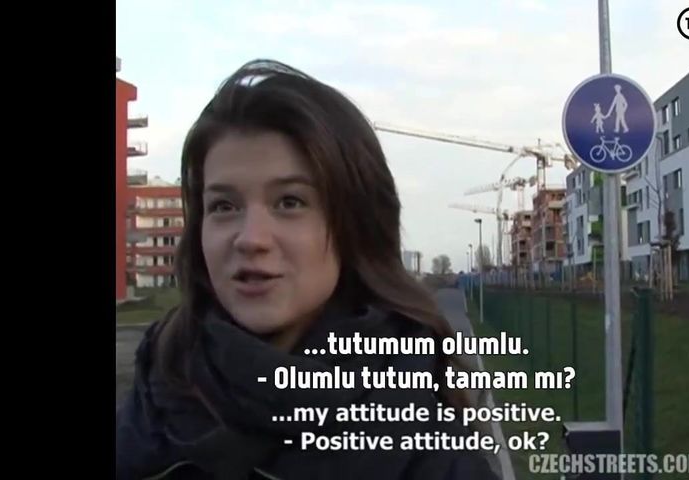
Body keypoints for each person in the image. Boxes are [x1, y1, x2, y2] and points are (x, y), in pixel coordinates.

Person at [115, 59, 501, 480]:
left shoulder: (430, 449)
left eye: (290, 202)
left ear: (356, 224)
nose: (251, 238)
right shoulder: (157, 389)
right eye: (224, 206)